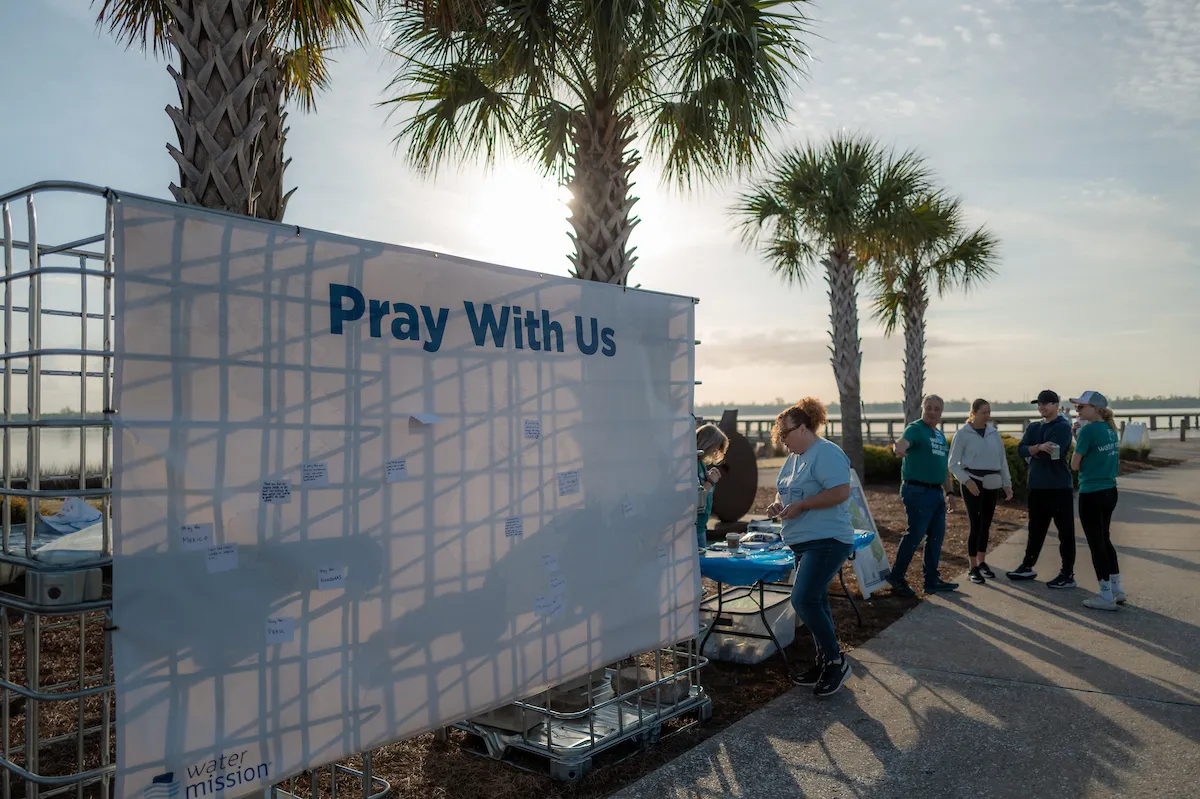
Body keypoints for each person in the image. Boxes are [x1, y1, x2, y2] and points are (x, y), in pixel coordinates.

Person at [764, 398, 854, 698]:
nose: (782, 441)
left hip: (827, 539)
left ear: (802, 428)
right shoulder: (794, 458)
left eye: (785, 434)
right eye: (779, 436)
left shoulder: (826, 452)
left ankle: (835, 661)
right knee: (816, 600)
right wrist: (778, 505)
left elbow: (840, 492)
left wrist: (802, 505)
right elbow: (785, 492)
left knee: (802, 598)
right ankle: (824, 661)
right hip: (803, 541)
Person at [887, 395, 959, 597]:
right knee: (915, 534)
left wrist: (950, 492)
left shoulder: (939, 436)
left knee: (936, 536)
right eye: (929, 408)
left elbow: (942, 468)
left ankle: (932, 580)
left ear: (941, 412)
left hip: (936, 492)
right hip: (917, 491)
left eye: (936, 409)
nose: (932, 412)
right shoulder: (915, 428)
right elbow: (902, 444)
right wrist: (898, 449)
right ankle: (896, 577)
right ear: (922, 408)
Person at [1007, 390, 1077, 588]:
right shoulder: (1034, 427)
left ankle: (1067, 574)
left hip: (1059, 488)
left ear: (1056, 405)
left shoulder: (1062, 426)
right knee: (1035, 530)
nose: (1041, 407)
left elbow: (1053, 454)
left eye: (1046, 403)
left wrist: (1033, 451)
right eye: (1039, 404)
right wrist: (1038, 447)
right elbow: (1021, 450)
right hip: (1037, 486)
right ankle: (1027, 567)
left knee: (1065, 533)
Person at [948, 399, 1014, 584]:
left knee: (986, 524)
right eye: (984, 412)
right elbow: (953, 464)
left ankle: (982, 562)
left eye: (989, 412)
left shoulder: (993, 434)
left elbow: (1002, 461)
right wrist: (966, 481)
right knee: (976, 524)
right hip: (972, 483)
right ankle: (972, 567)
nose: (987, 415)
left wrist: (1007, 485)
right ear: (974, 413)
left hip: (992, 483)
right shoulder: (962, 434)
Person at [1069, 391, 1125, 610]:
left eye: (1081, 407)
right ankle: (1117, 589)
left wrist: (1078, 440)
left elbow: (1075, 465)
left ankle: (1105, 595)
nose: (1077, 410)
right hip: (1110, 491)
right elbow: (1097, 455)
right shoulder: (1110, 430)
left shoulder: (1088, 430)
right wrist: (1079, 439)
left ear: (1096, 409)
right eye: (1077, 407)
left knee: (1096, 543)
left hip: (1091, 492)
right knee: (1105, 539)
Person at [695, 424, 728, 549]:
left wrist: (708, 478)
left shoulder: (700, 464)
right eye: (714, 449)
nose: (713, 453)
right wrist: (710, 482)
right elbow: (696, 499)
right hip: (694, 529)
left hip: (701, 526)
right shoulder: (691, 464)